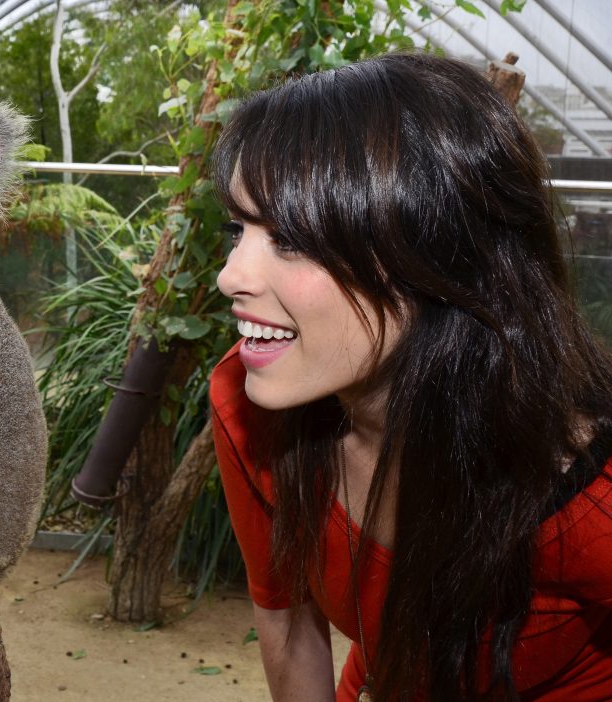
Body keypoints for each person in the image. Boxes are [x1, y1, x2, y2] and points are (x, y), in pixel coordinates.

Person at [209, 51, 612, 702]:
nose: (231, 276)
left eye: (292, 239)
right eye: (239, 230)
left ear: (437, 258)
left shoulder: (586, 488)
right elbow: (285, 620)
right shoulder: (244, 403)